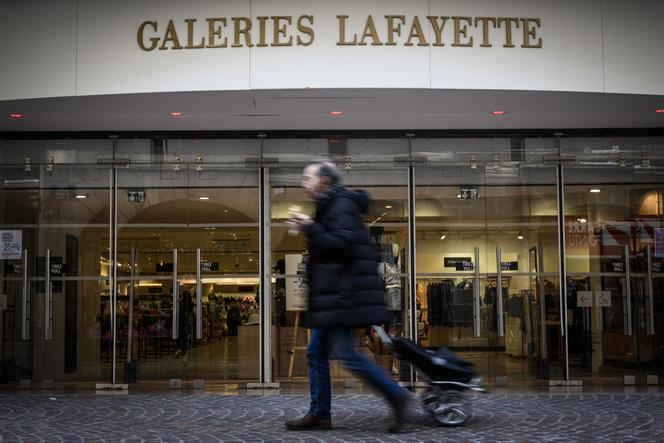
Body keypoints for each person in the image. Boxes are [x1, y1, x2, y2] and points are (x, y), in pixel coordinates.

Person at [284, 161, 413, 433]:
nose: (303, 183)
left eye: (308, 177)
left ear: (325, 182)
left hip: (343, 297)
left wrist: (310, 227)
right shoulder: (331, 205)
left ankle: (396, 395)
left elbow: (340, 246)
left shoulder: (341, 205)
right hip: (335, 297)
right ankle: (320, 413)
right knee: (317, 352)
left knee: (348, 357)